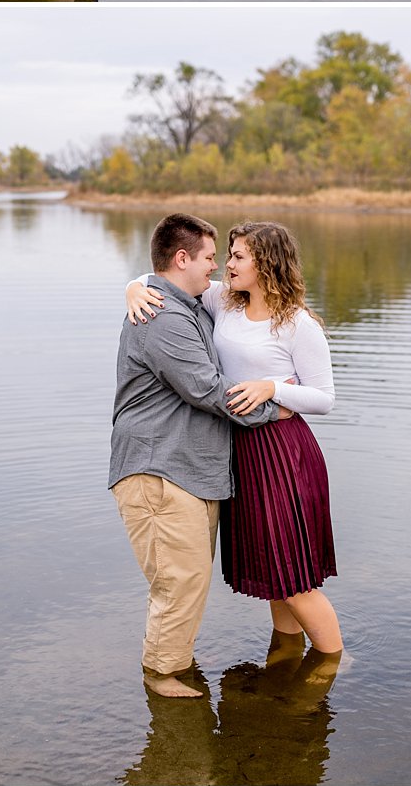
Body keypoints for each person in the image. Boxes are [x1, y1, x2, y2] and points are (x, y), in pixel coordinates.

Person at [126, 220, 343, 658]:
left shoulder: (298, 324)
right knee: (274, 574)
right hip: (239, 449)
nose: (227, 264)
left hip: (282, 450)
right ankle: (285, 661)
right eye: (227, 255)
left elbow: (324, 398)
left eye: (239, 256)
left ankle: (334, 662)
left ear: (266, 263)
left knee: (294, 577)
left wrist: (272, 389)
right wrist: (133, 287)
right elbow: (165, 280)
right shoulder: (223, 300)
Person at [110, 213, 284, 700]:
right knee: (179, 577)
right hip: (159, 468)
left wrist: (137, 282)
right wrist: (280, 408)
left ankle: (174, 660)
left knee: (186, 576)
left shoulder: (184, 303)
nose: (216, 267)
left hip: (187, 469)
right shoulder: (164, 316)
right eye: (210, 257)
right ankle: (161, 674)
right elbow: (207, 390)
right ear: (182, 259)